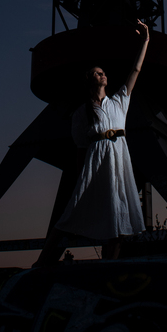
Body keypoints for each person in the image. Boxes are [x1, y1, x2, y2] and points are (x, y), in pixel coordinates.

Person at [33, 19, 150, 266]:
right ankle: (42, 262)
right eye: (98, 72)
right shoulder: (82, 113)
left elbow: (135, 71)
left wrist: (145, 40)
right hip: (96, 161)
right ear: (90, 79)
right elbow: (80, 148)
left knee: (119, 213)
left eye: (104, 72)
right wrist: (80, 178)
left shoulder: (119, 101)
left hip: (119, 160)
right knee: (73, 209)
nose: (103, 74)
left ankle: (109, 264)